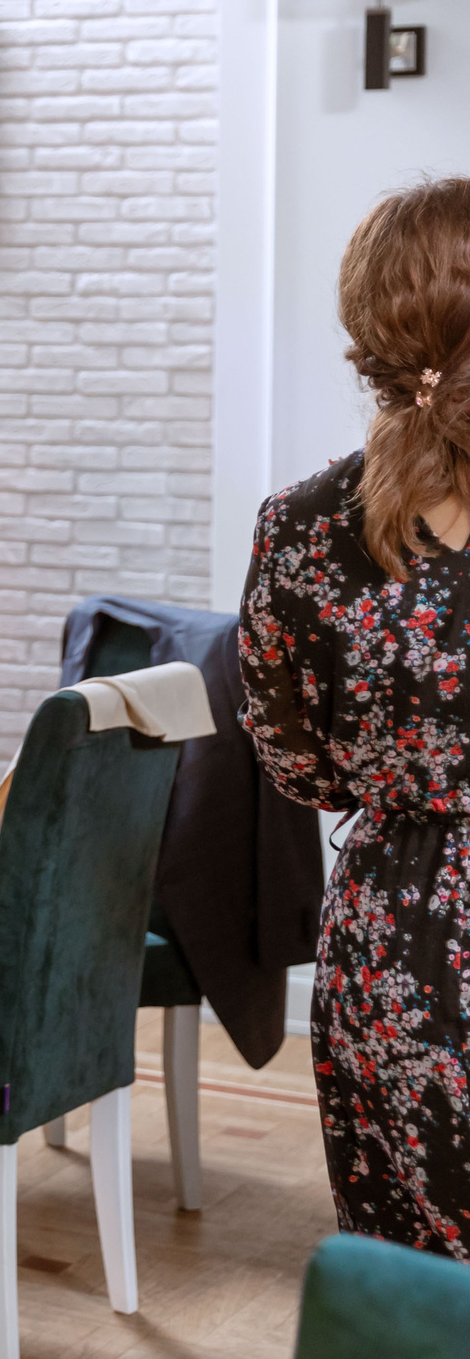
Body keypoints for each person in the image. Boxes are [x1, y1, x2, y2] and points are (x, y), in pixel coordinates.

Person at [241, 174, 470, 1260]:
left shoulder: (297, 527)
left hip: (394, 944)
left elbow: (293, 765)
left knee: (407, 1283)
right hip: (399, 945)